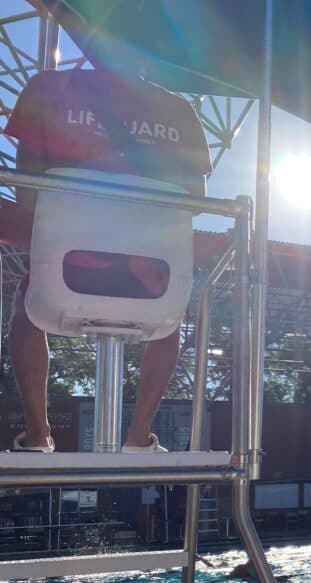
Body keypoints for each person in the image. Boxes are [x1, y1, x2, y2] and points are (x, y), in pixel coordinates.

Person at [2, 68, 212, 452]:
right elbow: (194, 199)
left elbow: (27, 189)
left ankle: (38, 433)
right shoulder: (178, 110)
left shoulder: (50, 88)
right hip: (151, 284)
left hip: (67, 275)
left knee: (27, 307)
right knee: (171, 322)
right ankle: (138, 435)